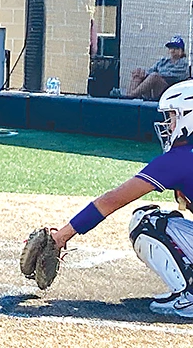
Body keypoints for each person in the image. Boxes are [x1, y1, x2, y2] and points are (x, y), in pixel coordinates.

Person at [42, 79, 193, 318]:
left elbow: (112, 200)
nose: (168, 124)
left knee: (148, 222)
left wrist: (62, 235)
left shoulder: (179, 158)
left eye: (173, 116)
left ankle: (190, 299)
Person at [124, 36, 189, 100]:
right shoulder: (163, 61)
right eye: (170, 48)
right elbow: (151, 70)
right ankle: (127, 98)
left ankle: (131, 96)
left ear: (181, 51)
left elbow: (174, 76)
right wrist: (143, 74)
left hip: (170, 90)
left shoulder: (184, 63)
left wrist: (158, 75)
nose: (172, 51)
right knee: (138, 73)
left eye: (175, 48)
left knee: (154, 76)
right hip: (156, 87)